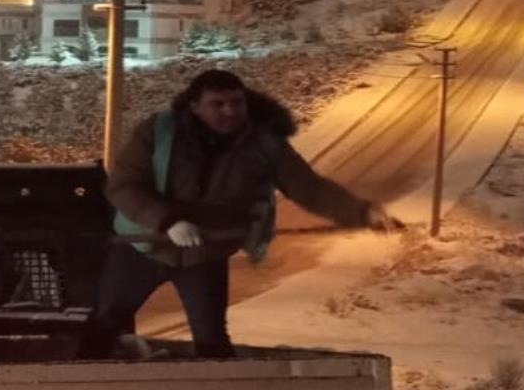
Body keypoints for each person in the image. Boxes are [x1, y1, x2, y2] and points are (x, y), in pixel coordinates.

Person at [77, 69, 401, 360]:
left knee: (211, 337)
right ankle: (76, 386)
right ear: (194, 106)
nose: (229, 111)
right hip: (142, 248)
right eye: (218, 104)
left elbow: (309, 188)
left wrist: (362, 212)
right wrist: (168, 221)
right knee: (105, 322)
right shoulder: (159, 133)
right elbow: (124, 187)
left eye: (236, 102)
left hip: (204, 254)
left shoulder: (262, 144)